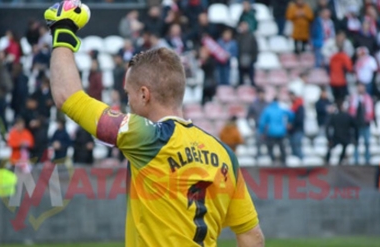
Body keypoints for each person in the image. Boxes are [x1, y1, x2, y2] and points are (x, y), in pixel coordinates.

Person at [43, 1, 264, 246]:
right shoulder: (225, 155)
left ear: (144, 95)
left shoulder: (145, 137)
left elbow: (67, 96)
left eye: (129, 94)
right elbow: (252, 236)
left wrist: (62, 28)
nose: (128, 102)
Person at [259, 98, 293, 164]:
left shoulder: (268, 110)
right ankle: (284, 163)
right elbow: (291, 114)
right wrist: (289, 122)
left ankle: (272, 162)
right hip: (281, 132)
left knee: (270, 148)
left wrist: (262, 132)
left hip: (271, 132)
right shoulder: (281, 109)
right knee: (282, 148)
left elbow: (262, 123)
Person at [325, 101, 358, 165]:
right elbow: (356, 127)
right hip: (345, 139)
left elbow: (327, 127)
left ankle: (327, 162)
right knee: (344, 149)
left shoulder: (334, 116)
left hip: (337, 138)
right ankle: (338, 161)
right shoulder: (348, 116)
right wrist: (356, 138)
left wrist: (329, 138)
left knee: (331, 149)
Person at [348, 83, 374, 165]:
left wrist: (367, 119)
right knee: (356, 143)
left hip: (365, 124)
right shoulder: (354, 98)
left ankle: (367, 160)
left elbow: (371, 111)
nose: (360, 89)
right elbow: (351, 111)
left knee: (367, 143)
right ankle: (356, 160)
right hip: (356, 125)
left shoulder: (368, 98)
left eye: (362, 87)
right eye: (359, 87)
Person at [247, 88, 267, 157]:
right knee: (258, 144)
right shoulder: (254, 105)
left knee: (268, 145)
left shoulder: (267, 104)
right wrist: (251, 126)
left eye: (263, 94)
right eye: (260, 94)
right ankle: (258, 157)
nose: (262, 95)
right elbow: (248, 117)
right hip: (258, 127)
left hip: (267, 128)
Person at [237, 22, 258, 86]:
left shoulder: (251, 36)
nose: (244, 28)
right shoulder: (238, 36)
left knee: (251, 73)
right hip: (241, 57)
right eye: (242, 26)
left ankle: (252, 85)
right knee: (241, 75)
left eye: (245, 26)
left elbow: (255, 47)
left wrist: (254, 58)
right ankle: (241, 86)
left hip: (250, 57)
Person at [288, 91, 304, 160]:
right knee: (293, 148)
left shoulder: (299, 106)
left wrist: (292, 125)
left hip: (297, 130)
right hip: (292, 131)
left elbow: (299, 119)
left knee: (297, 147)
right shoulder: (292, 105)